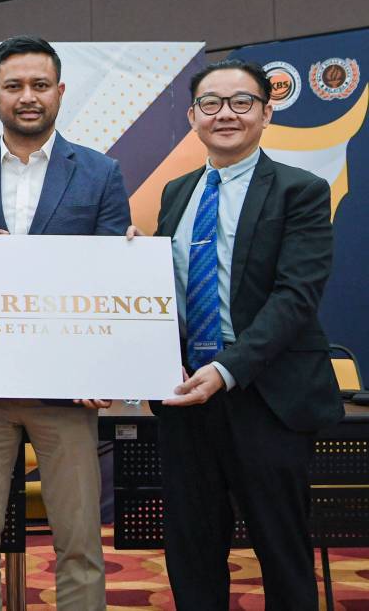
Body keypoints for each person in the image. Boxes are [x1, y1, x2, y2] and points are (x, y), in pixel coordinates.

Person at [0, 35, 130, 611]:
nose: (28, 97)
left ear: (60, 92)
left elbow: (113, 276)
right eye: (14, 86)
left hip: (68, 393)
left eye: (40, 85)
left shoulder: (101, 172)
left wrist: (106, 369)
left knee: (80, 543)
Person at [133, 59, 343, 610]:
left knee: (281, 552)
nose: (225, 113)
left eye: (241, 102)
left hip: (266, 397)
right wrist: (132, 261)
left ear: (266, 112)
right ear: (192, 116)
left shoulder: (301, 190)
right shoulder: (177, 193)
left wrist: (226, 370)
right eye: (210, 103)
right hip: (185, 401)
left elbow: (296, 297)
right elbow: (166, 291)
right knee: (192, 550)